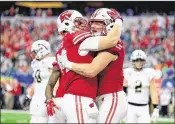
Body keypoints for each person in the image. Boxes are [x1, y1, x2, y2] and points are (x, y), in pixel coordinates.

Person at [45, 9, 122, 123]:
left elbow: (52, 80)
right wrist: (118, 21)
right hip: (79, 98)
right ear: (67, 23)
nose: (83, 25)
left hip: (66, 98)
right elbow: (112, 40)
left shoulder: (60, 48)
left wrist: (48, 99)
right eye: (78, 22)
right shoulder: (76, 37)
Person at [23, 40, 58, 123]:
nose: (32, 55)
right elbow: (36, 82)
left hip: (46, 98)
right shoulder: (37, 63)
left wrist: (53, 96)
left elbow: (57, 80)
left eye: (34, 52)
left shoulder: (51, 61)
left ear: (42, 50)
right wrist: (29, 96)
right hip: (37, 98)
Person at [123, 49, 160, 123]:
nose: (139, 63)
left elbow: (153, 91)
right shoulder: (128, 73)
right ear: (133, 61)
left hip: (144, 108)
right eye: (137, 60)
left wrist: (156, 107)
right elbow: (123, 91)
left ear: (144, 61)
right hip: (130, 107)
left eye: (141, 60)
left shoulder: (148, 73)